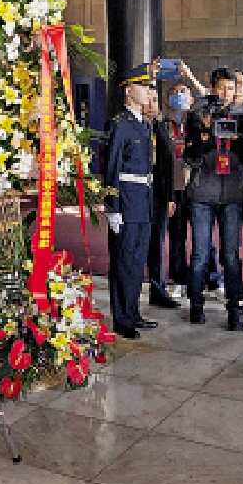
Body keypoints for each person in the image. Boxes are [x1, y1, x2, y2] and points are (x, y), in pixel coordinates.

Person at [182, 67, 243, 330]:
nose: (226, 93)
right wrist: (207, 135)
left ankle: (234, 309)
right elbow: (190, 157)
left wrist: (239, 139)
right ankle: (196, 305)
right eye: (221, 88)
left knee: (232, 255)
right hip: (202, 194)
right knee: (200, 253)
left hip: (233, 194)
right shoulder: (197, 116)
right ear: (212, 89)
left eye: (230, 89)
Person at [101, 66, 160, 338]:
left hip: (142, 201)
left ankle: (133, 312)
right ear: (128, 91)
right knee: (123, 261)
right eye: (143, 86)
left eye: (149, 87)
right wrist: (112, 208)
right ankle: (121, 318)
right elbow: (111, 168)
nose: (149, 91)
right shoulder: (119, 123)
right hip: (125, 201)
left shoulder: (143, 124)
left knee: (137, 261)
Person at [161, 77, 201, 300]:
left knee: (202, 236)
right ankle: (179, 279)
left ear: (191, 98)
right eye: (174, 92)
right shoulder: (163, 124)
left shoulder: (197, 121)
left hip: (196, 185)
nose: (178, 95)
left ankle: (208, 279)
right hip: (174, 186)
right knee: (177, 235)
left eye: (183, 91)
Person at [145, 79, 180, 311]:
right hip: (136, 194)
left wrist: (170, 197)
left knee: (157, 244)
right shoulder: (129, 125)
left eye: (156, 100)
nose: (152, 104)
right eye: (149, 99)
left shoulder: (161, 127)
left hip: (158, 194)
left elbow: (167, 166)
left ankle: (158, 289)